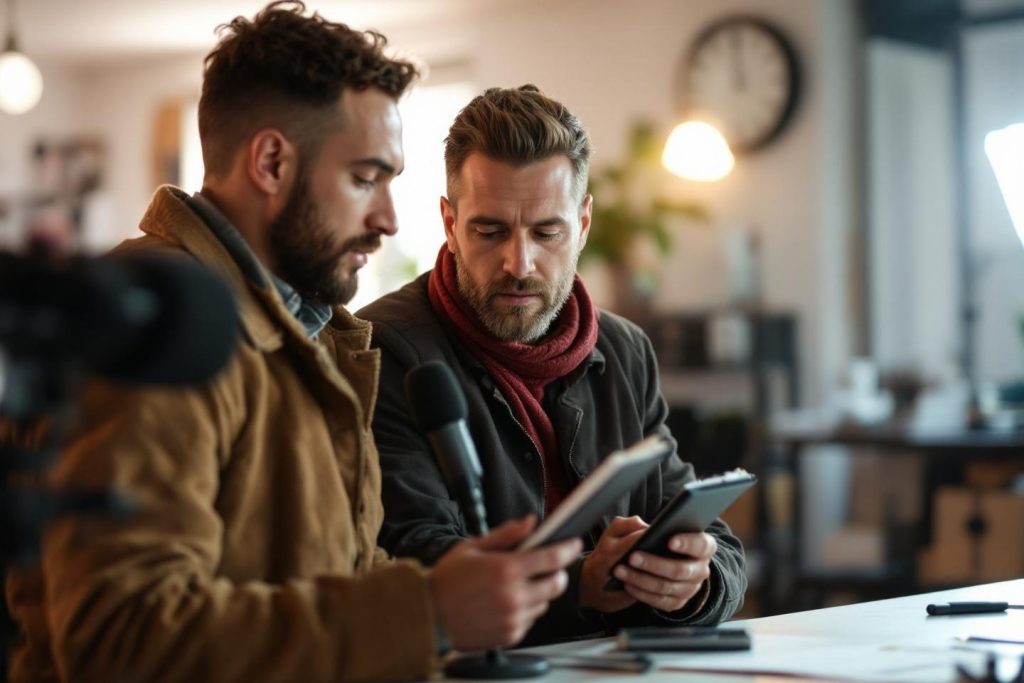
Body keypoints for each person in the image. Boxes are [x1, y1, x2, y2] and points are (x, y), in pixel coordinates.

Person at [3, 8, 581, 682]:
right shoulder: (153, 327)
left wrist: (460, 591)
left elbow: (328, 577)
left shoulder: (311, 335)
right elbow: (118, 639)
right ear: (272, 162)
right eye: (366, 178)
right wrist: (429, 610)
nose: (390, 219)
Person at [358, 85, 747, 646]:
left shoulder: (626, 351)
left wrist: (695, 579)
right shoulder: (381, 349)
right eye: (490, 232)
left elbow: (710, 535)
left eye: (547, 232)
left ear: (583, 224)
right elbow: (414, 556)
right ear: (449, 222)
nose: (520, 263)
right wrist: (577, 585)